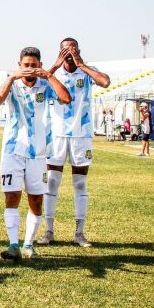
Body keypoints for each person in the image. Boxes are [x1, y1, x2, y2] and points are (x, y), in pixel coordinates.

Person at [0, 47, 71, 261]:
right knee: (11, 196)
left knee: (36, 200)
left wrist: (48, 74)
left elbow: (66, 98)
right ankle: (13, 245)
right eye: (25, 65)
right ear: (19, 65)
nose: (29, 69)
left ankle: (29, 244)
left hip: (38, 152)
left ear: (39, 65)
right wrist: (11, 78)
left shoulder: (45, 84)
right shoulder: (12, 83)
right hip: (12, 149)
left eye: (33, 65)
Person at [38, 38, 111, 248]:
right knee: (51, 181)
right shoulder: (54, 73)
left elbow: (105, 82)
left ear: (78, 50)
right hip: (57, 134)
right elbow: (39, 78)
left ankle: (79, 233)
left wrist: (81, 63)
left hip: (82, 134)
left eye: (72, 49)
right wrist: (54, 65)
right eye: (65, 50)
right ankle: (48, 231)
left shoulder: (87, 71)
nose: (69, 53)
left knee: (80, 183)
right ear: (59, 52)